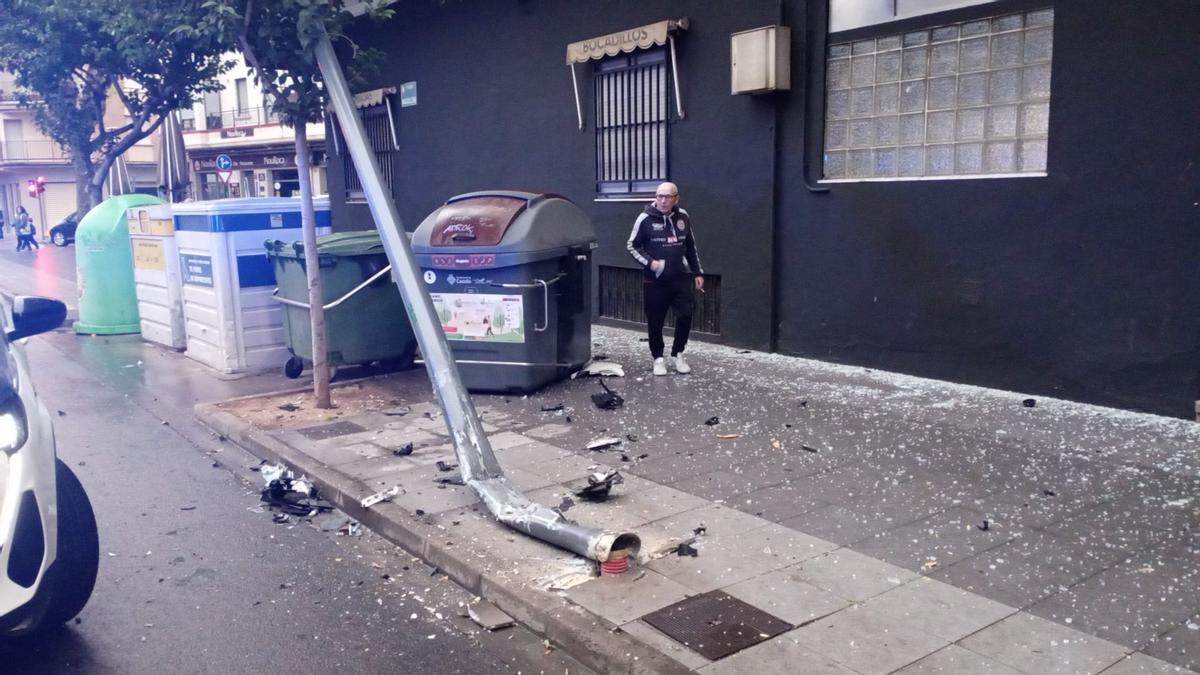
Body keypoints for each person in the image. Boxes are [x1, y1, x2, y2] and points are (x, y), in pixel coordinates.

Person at [626, 181, 704, 376]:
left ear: (676, 198)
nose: (662, 200)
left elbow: (691, 247)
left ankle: (677, 354)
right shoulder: (645, 218)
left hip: (681, 279)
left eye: (667, 197)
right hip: (655, 282)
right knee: (655, 321)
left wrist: (697, 273)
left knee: (685, 316)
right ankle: (658, 358)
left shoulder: (683, 216)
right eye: (659, 196)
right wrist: (650, 263)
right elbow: (632, 246)